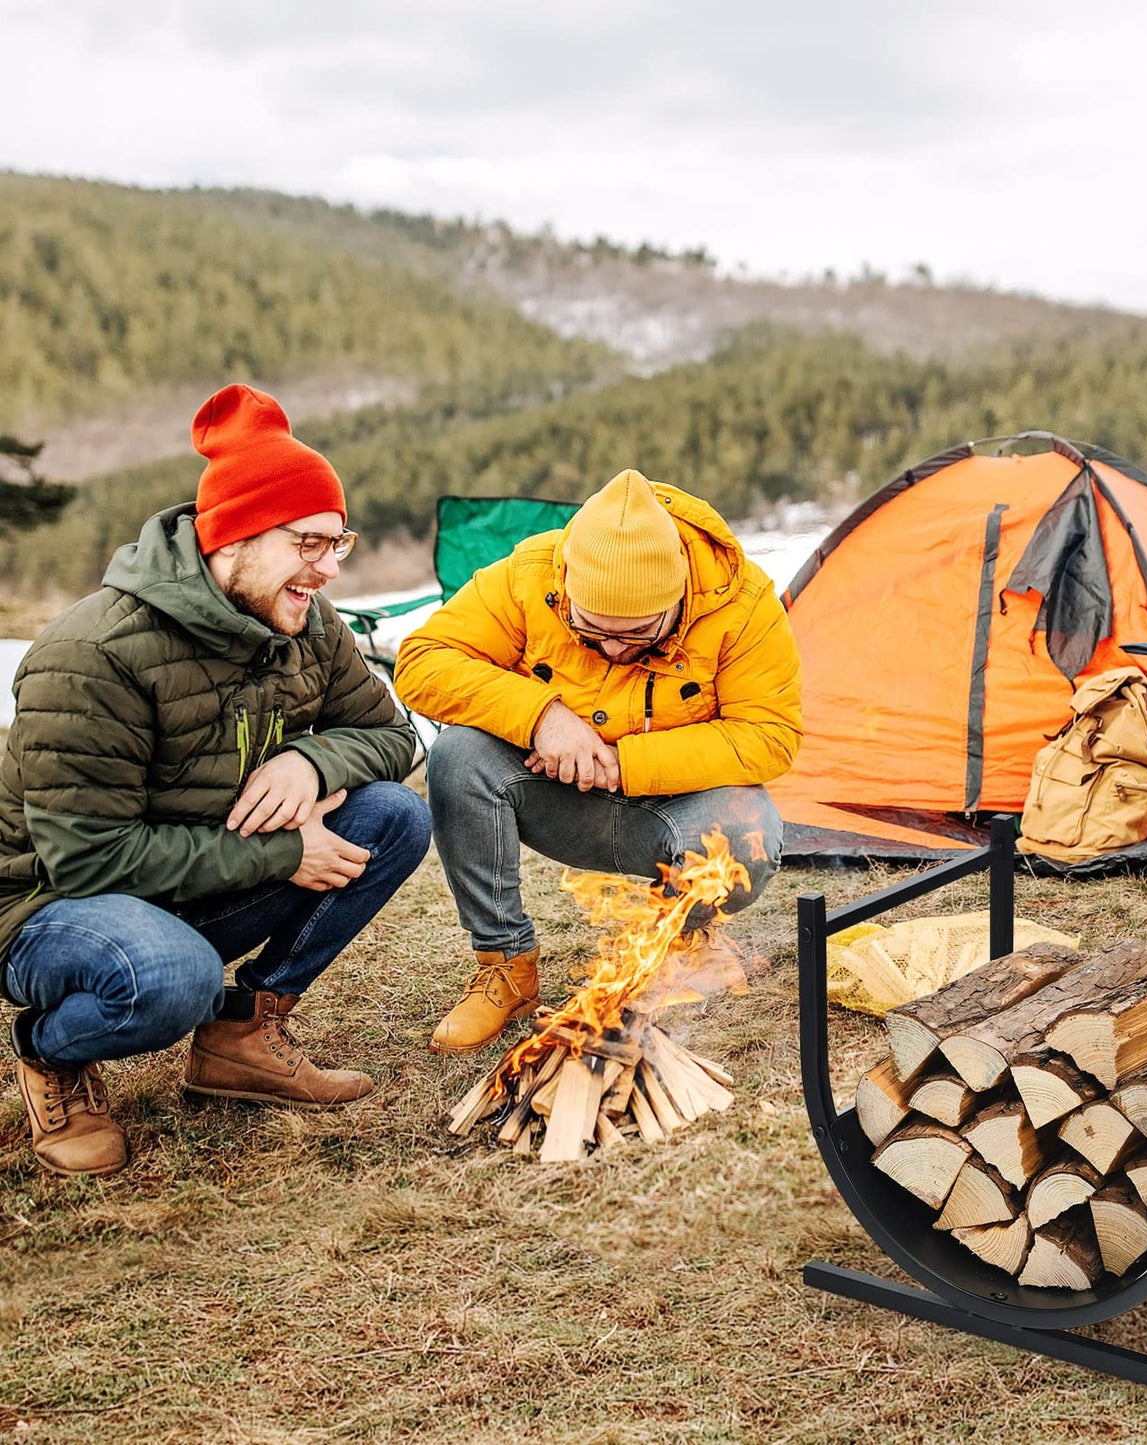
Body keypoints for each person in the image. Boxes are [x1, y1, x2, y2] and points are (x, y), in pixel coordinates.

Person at [0, 384, 432, 1178]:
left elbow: (389, 734)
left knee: (392, 817)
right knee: (172, 976)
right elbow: (88, 860)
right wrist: (280, 856)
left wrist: (312, 760)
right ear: (233, 535)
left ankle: (241, 1035)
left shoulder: (302, 619)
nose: (329, 568)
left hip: (190, 879)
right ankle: (48, 1051)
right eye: (310, 542)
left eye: (340, 543)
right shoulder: (93, 654)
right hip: (53, 907)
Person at [393, 468, 802, 1055]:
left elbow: (771, 735)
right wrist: (543, 716)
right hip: (555, 796)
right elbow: (423, 662)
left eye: (637, 634)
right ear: (567, 588)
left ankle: (685, 944)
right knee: (458, 755)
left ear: (678, 598)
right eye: (590, 632)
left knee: (748, 828)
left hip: (676, 808)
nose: (611, 649)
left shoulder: (743, 604)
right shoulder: (530, 576)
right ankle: (505, 966)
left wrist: (623, 762)